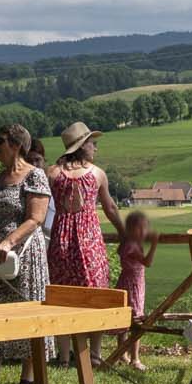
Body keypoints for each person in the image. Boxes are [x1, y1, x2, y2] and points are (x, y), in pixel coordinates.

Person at [0, 123, 53, 375]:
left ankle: (28, 375)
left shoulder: (34, 176)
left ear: (16, 146)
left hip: (24, 253)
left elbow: (36, 218)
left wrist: (8, 243)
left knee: (25, 307)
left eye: (0, 141)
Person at [46, 120, 127, 297]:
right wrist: (123, 233)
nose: (95, 148)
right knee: (94, 293)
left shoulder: (52, 173)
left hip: (60, 241)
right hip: (89, 240)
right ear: (83, 146)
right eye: (93, 144)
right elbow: (111, 208)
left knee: (63, 295)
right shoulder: (97, 174)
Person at [117, 208, 155, 369]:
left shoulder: (127, 243)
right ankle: (135, 358)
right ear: (132, 229)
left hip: (127, 283)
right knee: (136, 321)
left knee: (124, 320)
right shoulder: (132, 246)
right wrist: (154, 244)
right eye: (141, 228)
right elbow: (147, 262)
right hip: (133, 286)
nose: (145, 232)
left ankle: (122, 354)